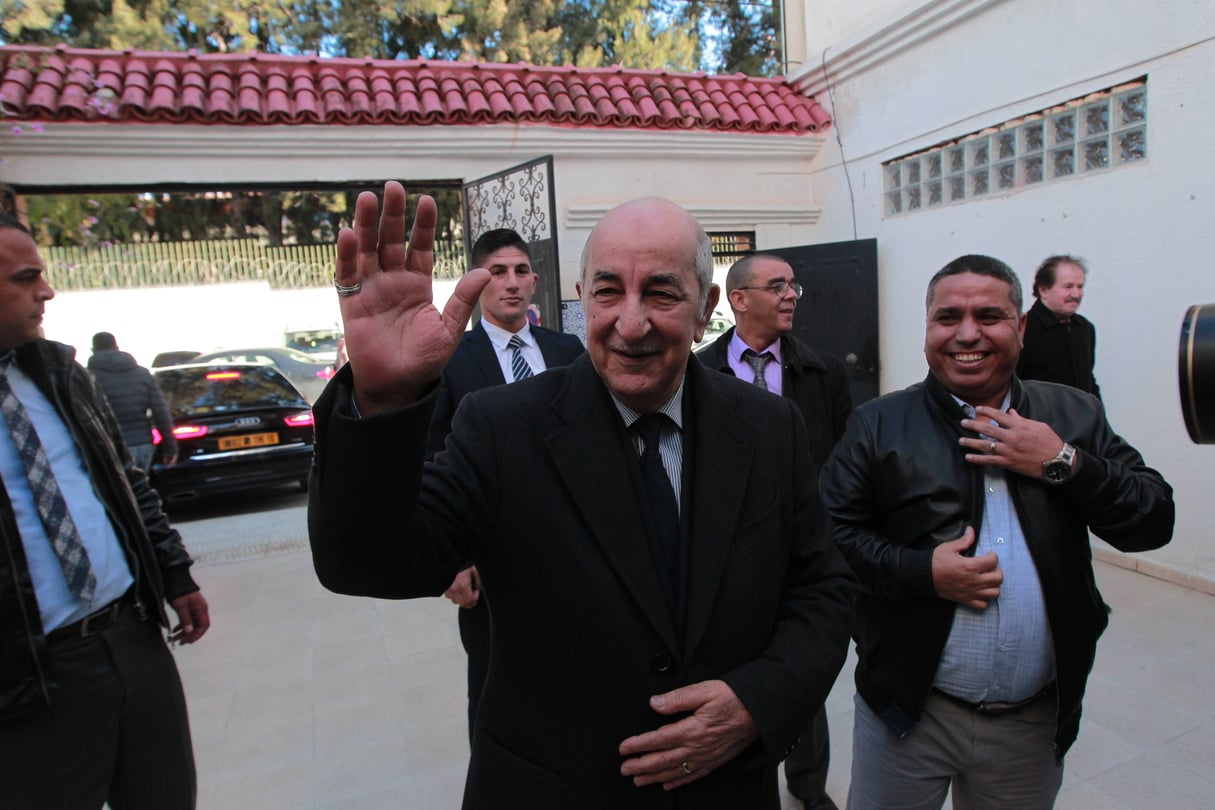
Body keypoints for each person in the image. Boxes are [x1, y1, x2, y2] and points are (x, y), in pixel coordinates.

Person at [308, 182, 856, 809]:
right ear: (579, 299)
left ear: (706, 306)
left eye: (660, 291)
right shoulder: (501, 428)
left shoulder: (769, 428)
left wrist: (758, 701)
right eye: (607, 291)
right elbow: (364, 561)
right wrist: (382, 403)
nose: (631, 322)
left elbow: (822, 589)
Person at [822, 254, 1174, 809]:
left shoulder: (1073, 415)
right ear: (928, 328)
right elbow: (830, 539)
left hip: (1030, 726)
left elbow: (1154, 520)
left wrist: (1062, 461)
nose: (967, 334)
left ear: (1022, 325)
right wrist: (921, 572)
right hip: (907, 714)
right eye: (947, 317)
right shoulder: (879, 423)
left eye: (989, 315)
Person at [0, 213, 211, 809]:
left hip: (132, 636)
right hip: (30, 677)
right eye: (26, 277)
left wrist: (173, 574)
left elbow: (127, 482)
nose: (47, 290)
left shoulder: (61, 375)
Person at [697, 253, 852, 809]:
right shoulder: (699, 370)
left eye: (794, 286)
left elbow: (840, 457)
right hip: (728, 546)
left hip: (803, 542)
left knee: (801, 663)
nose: (791, 295)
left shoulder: (824, 371)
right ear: (738, 299)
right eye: (777, 285)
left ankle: (809, 788)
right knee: (737, 664)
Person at [427, 228, 584, 739]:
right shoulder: (452, 358)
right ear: (476, 282)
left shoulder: (567, 350)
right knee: (496, 685)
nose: (511, 283)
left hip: (572, 545)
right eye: (497, 272)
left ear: (535, 281)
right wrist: (452, 557)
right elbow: (432, 459)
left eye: (520, 271)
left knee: (576, 674)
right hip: (490, 555)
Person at [87, 331, 179, 471]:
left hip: (110, 446)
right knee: (141, 487)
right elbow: (161, 413)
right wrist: (170, 447)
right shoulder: (142, 374)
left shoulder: (88, 378)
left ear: (93, 350)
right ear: (117, 347)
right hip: (143, 443)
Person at [1017, 254, 1101, 398]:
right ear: (1043, 290)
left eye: (1080, 287)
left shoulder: (1084, 328)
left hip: (1081, 418)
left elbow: (1088, 380)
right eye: (1068, 287)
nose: (1076, 294)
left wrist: (1099, 417)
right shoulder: (1023, 328)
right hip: (1036, 417)